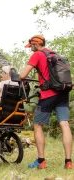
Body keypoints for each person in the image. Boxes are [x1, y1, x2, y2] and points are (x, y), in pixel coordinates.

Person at [19, 35, 72, 169]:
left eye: (30, 46)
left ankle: (41, 161)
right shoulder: (54, 54)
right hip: (63, 93)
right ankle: (68, 162)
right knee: (64, 124)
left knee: (38, 125)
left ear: (36, 44)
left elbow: (23, 75)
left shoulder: (37, 55)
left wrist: (18, 76)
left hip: (48, 95)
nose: (30, 49)